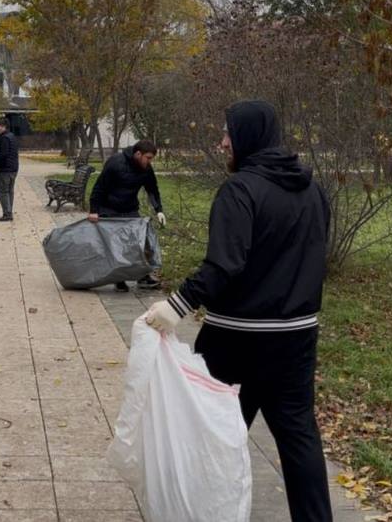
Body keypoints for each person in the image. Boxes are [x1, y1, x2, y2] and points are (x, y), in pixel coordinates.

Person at [145, 100, 332, 522]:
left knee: (213, 432)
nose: (222, 141)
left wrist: (175, 305)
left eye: (227, 132)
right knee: (299, 437)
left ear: (248, 136)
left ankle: (201, 512)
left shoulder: (240, 190)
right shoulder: (312, 190)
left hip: (237, 339)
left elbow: (223, 265)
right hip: (296, 338)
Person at [87, 140, 165, 290]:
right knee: (117, 245)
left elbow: (152, 189)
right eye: (148, 158)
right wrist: (94, 210)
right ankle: (119, 279)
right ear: (138, 154)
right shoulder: (115, 163)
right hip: (109, 209)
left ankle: (143, 277)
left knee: (140, 242)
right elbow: (99, 187)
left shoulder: (146, 168)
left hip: (129, 208)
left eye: (151, 159)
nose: (150, 161)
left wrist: (159, 210)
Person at [0, 120, 19, 221]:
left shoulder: (4, 139)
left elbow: (2, 155)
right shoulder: (12, 136)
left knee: (2, 191)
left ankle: (7, 214)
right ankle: (9, 212)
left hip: (5, 169)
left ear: (5, 127)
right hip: (13, 169)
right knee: (9, 191)